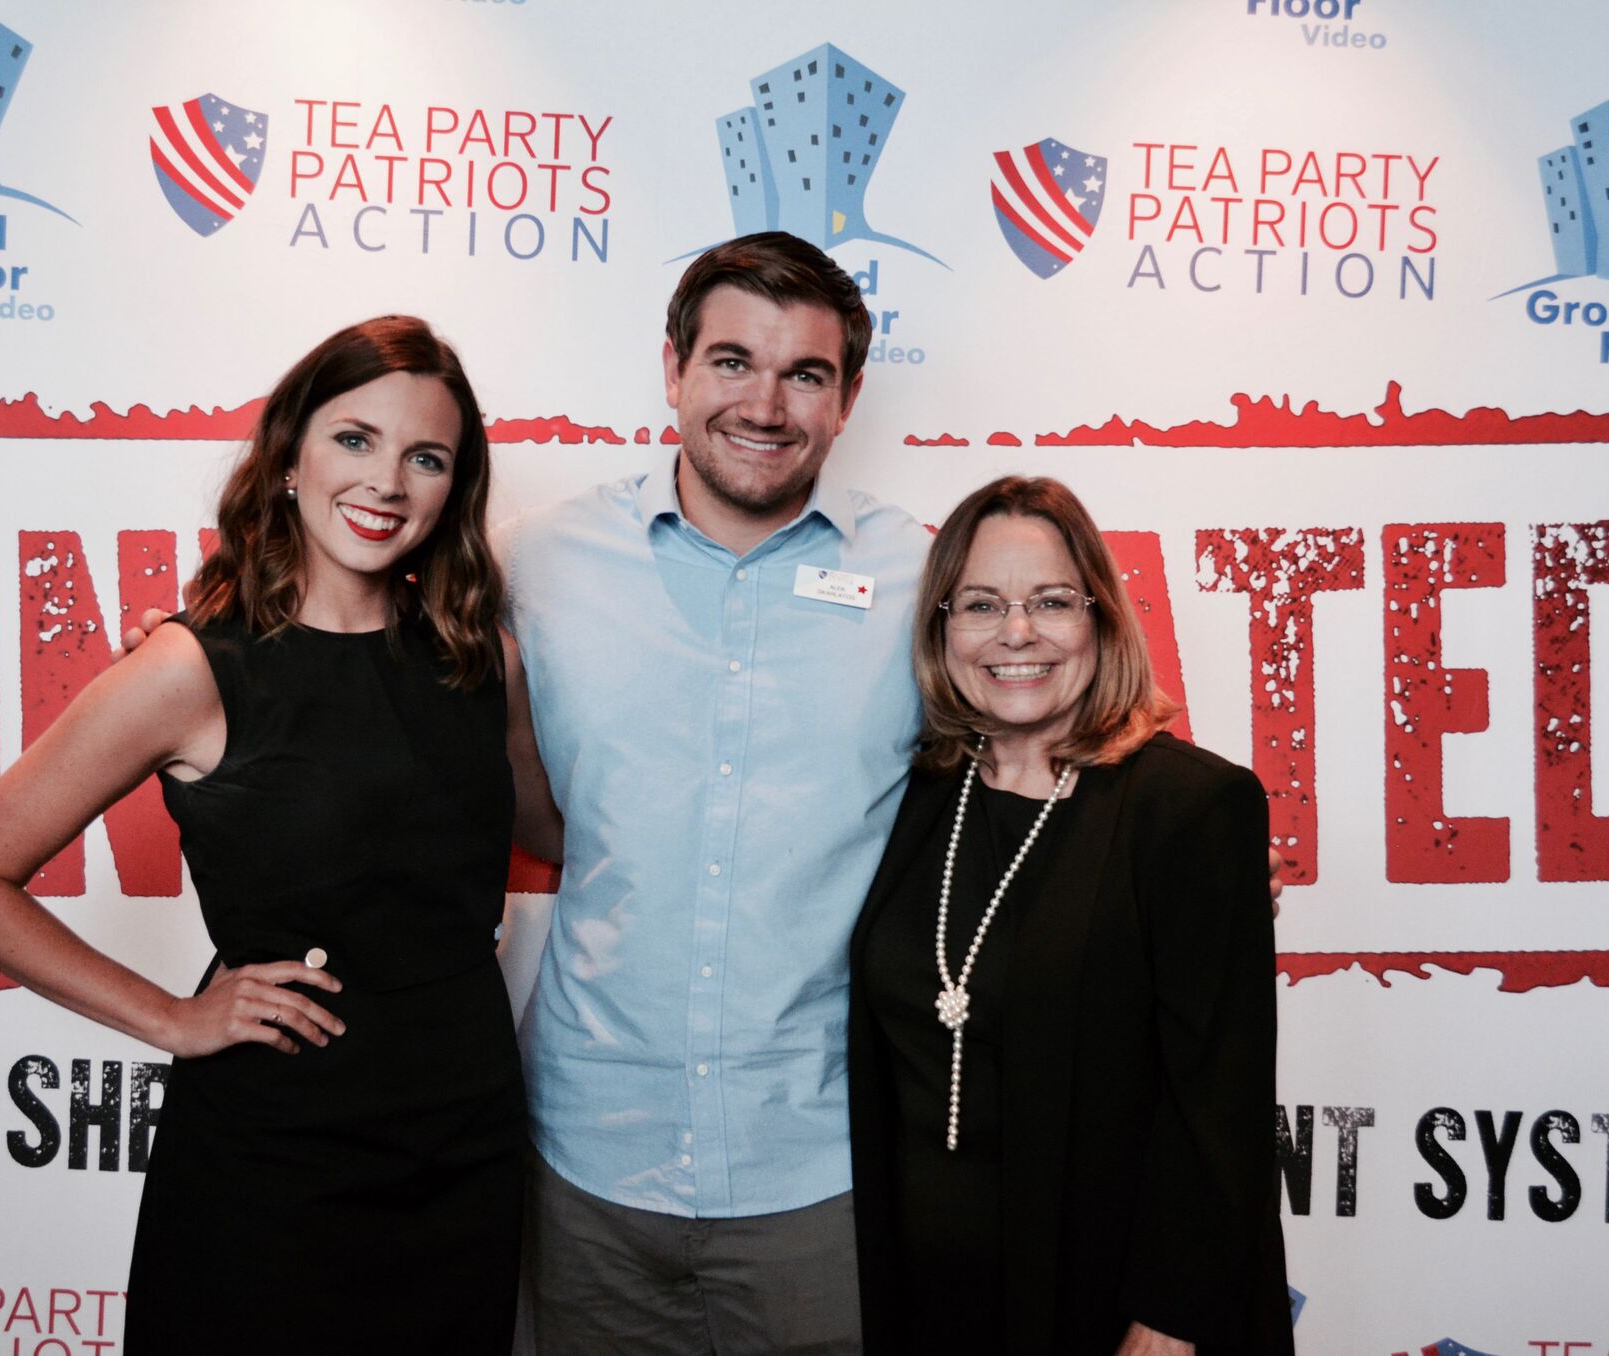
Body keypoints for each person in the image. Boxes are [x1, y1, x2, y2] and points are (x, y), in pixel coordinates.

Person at [504, 232, 1284, 1355]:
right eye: (730, 361)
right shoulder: (537, 562)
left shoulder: (928, 584)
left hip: (824, 1177)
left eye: (805, 375)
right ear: (670, 367)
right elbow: (420, 723)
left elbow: (1059, 754)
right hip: (587, 1159)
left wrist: (1199, 870)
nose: (763, 405)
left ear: (848, 395)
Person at [0, 316, 558, 1353]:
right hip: (273, 1166)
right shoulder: (191, 668)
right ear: (290, 457)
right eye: (355, 439)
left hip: (463, 1148)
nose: (387, 481)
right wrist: (172, 1018)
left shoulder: (481, 659)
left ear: (453, 489)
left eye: (425, 457)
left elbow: (554, 834)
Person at [846, 476, 1295, 1355]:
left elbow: (1220, 1107)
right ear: (943, 628)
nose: (1018, 633)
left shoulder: (1191, 808)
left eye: (1052, 601)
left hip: (1106, 1303)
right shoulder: (919, 795)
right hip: (918, 1298)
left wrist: (1170, 1319)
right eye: (981, 604)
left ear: (1101, 616)